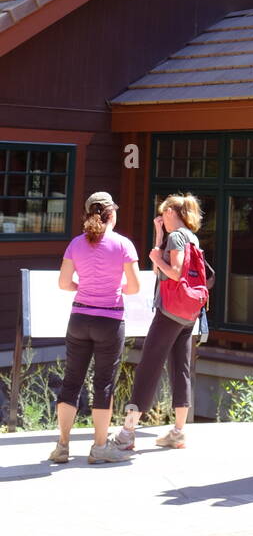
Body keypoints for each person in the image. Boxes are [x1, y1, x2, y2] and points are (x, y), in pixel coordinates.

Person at [51, 192, 140, 464]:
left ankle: (62, 446)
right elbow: (134, 287)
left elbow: (64, 283)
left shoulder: (75, 244)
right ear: (111, 213)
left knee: (71, 382)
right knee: (103, 384)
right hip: (110, 321)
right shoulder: (124, 244)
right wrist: (113, 288)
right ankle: (100, 447)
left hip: (79, 319)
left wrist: (85, 287)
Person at [115, 193, 203, 451]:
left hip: (169, 311)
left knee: (149, 365)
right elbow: (160, 269)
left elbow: (173, 273)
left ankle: (127, 432)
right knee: (181, 367)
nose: (161, 218)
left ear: (171, 213)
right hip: (188, 312)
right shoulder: (191, 237)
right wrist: (157, 238)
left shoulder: (177, 237)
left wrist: (155, 256)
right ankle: (177, 432)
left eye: (163, 214)